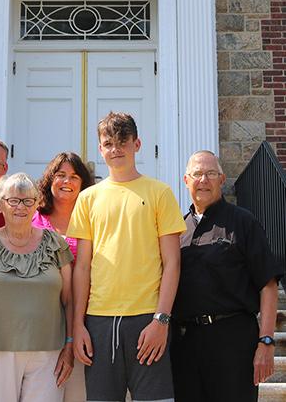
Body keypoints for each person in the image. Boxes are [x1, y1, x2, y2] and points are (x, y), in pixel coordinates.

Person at [68, 112, 186, 402]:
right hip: (98, 321)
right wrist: (77, 325)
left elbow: (172, 263)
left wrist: (161, 320)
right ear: (100, 149)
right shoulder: (88, 198)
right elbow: (82, 267)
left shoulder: (160, 193)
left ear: (137, 144)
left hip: (147, 318)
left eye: (123, 141)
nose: (115, 149)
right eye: (108, 143)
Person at [171, 150, 283, 402]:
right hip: (185, 344)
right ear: (186, 180)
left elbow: (268, 284)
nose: (203, 180)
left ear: (222, 180)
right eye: (197, 174)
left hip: (233, 341)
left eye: (211, 173)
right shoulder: (177, 229)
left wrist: (266, 341)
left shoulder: (243, 222)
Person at [0, 173, 74, 402]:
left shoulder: (55, 244)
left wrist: (69, 347)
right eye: (13, 200)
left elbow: (69, 300)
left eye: (27, 201)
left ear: (36, 205)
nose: (20, 207)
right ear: (1, 205)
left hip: (49, 354)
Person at [32, 152, 93, 402]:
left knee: (78, 392)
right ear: (50, 179)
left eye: (74, 176)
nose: (66, 181)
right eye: (60, 175)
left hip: (83, 317)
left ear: (83, 184)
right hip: (42, 321)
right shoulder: (34, 217)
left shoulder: (92, 219)